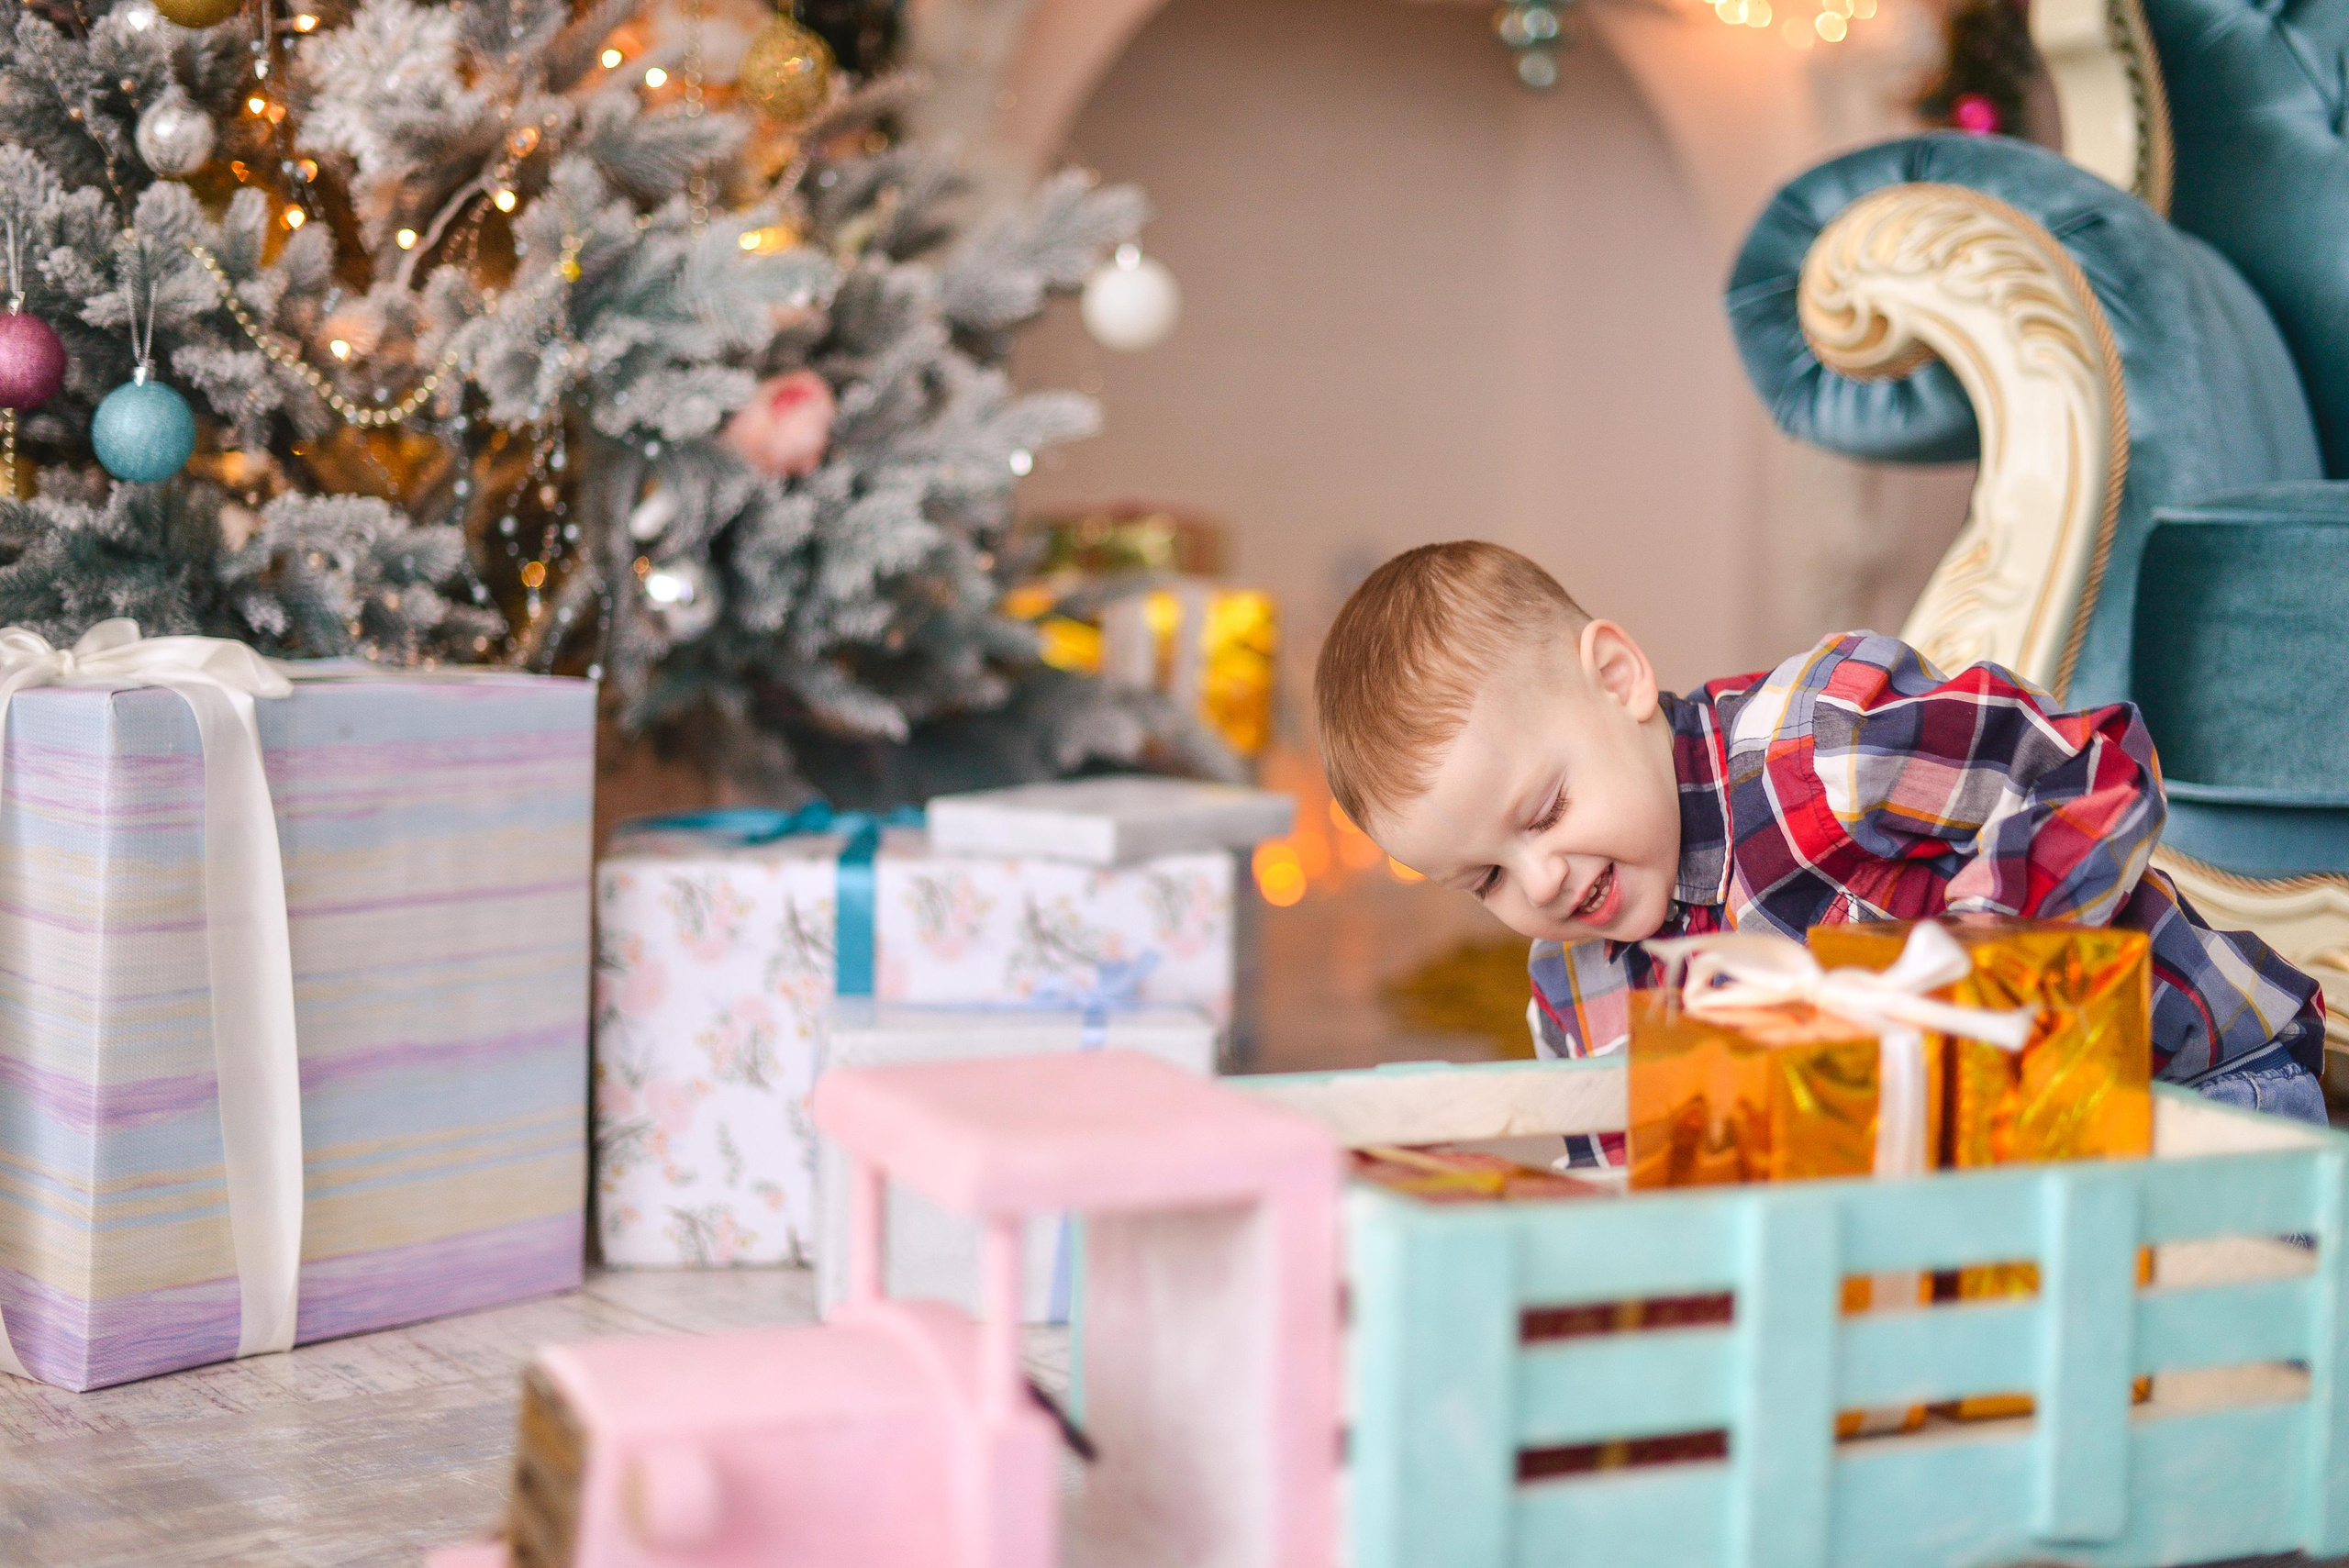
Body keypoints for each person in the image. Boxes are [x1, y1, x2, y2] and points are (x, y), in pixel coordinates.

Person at [1315, 540, 2328, 1151]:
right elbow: (1635, 1178)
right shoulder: (1577, 992)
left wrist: (1981, 949)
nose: (1540, 879)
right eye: (1484, 876)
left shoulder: (1820, 748)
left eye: (1543, 812)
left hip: (2189, 1090)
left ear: (1618, 678)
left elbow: (2089, 769)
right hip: (1982, 1178)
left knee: (2240, 1370)